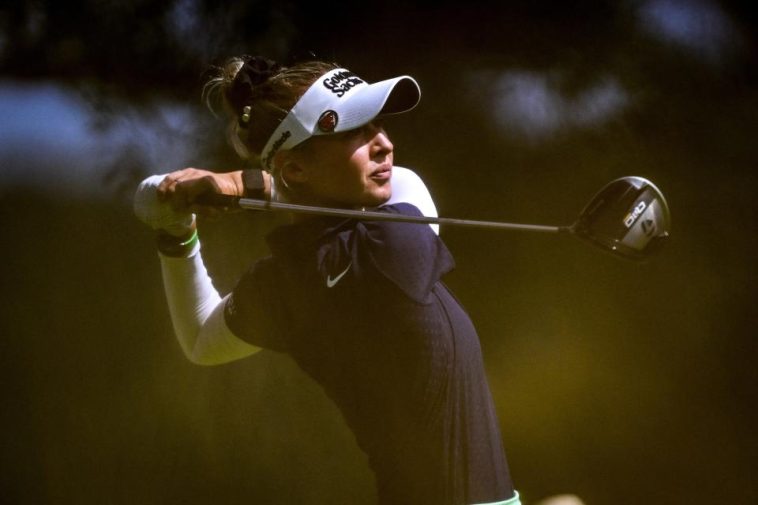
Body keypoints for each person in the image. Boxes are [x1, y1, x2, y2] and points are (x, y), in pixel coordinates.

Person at [134, 55, 521, 505]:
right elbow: (407, 182)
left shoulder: (285, 281)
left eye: (377, 125)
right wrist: (245, 183)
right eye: (356, 133)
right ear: (295, 168)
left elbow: (202, 336)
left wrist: (177, 234)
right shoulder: (389, 247)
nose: (384, 145)